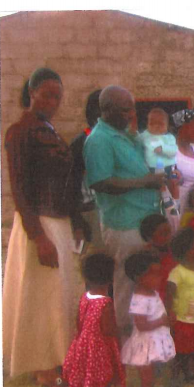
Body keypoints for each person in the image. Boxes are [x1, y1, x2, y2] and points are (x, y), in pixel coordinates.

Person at [3, 68, 86, 384]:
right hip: (39, 227)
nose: (53, 101)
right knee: (41, 302)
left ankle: (57, 363)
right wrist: (38, 237)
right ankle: (43, 370)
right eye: (48, 94)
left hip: (60, 226)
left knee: (59, 299)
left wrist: (75, 224)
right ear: (32, 92)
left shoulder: (48, 130)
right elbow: (19, 190)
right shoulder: (19, 132)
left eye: (58, 97)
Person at [84, 85, 164, 335]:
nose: (131, 114)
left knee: (144, 281)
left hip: (143, 220)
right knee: (126, 283)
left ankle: (144, 340)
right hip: (124, 223)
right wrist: (144, 182)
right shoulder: (99, 140)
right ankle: (123, 341)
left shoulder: (124, 134)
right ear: (106, 110)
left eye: (132, 108)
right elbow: (101, 182)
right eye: (125, 109)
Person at [63, 254, 126, 387]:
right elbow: (108, 329)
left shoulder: (85, 297)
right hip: (100, 348)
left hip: (83, 345)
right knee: (103, 377)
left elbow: (78, 321)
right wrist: (121, 332)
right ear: (111, 278)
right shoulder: (105, 303)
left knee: (86, 374)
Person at [121, 252, 176, 387]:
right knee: (147, 378)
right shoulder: (140, 298)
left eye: (159, 273)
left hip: (154, 340)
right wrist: (162, 321)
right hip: (144, 344)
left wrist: (168, 318)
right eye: (154, 274)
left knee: (151, 375)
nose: (159, 278)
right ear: (139, 277)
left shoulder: (152, 292)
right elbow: (141, 325)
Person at [166, 228, 194, 385]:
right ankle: (174, 377)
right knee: (179, 351)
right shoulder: (178, 272)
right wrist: (169, 312)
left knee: (191, 349)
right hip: (181, 320)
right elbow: (169, 293)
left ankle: (191, 375)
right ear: (188, 251)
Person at [69, 89, 103, 254]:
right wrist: (77, 224)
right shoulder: (81, 143)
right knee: (96, 263)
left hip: (111, 213)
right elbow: (72, 185)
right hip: (90, 214)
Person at [139, 214, 176, 303]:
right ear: (149, 237)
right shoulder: (144, 259)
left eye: (169, 232)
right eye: (163, 234)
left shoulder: (176, 253)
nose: (168, 237)